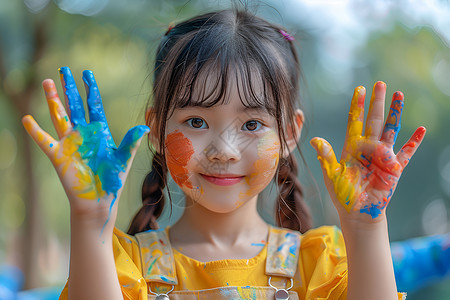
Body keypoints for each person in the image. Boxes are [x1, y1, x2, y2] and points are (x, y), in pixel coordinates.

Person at [22, 8, 426, 300]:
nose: (224, 151)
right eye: (196, 121)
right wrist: (91, 222)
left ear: (289, 133)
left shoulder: (318, 264)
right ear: (157, 129)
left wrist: (366, 227)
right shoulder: (122, 269)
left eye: (252, 125)